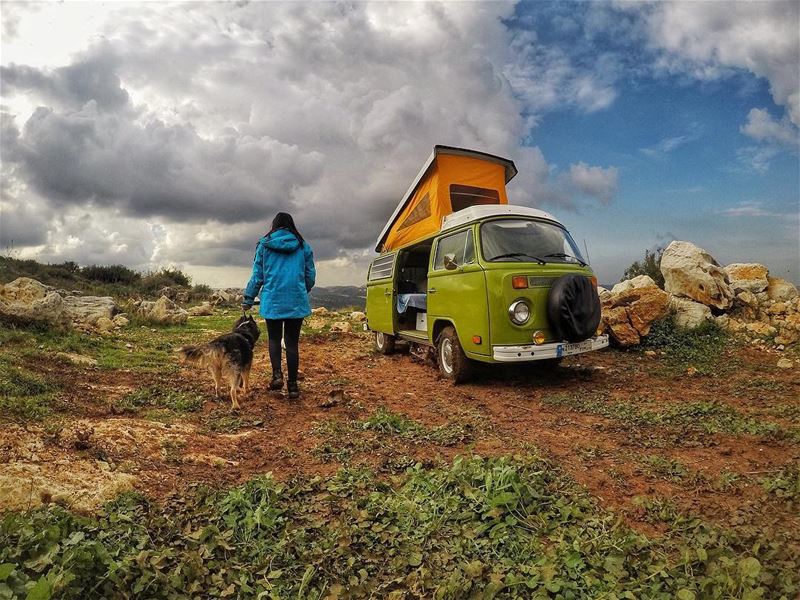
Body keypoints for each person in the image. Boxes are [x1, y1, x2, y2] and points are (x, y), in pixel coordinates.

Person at [242, 212, 315, 399]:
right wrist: (300, 291)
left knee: (274, 339)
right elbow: (310, 276)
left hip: (272, 299)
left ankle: (276, 376)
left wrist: (248, 298)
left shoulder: (264, 245)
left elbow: (258, 276)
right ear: (292, 226)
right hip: (295, 301)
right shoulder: (302, 246)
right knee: (291, 343)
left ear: (274, 226)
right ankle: (293, 386)